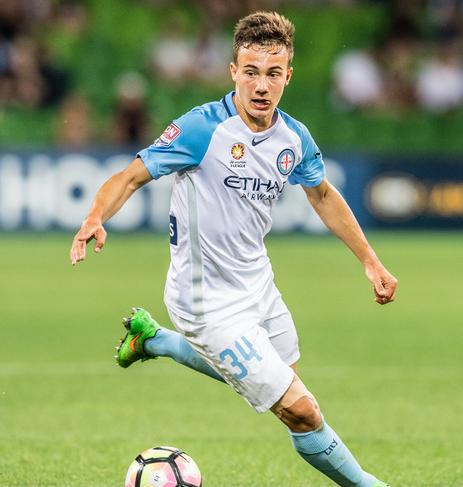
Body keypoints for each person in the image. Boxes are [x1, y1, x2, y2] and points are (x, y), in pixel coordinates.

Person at [69, 11, 396, 487]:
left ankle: (154, 340)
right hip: (205, 300)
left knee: (284, 380)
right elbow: (131, 175)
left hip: (257, 283)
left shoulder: (294, 138)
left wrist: (370, 261)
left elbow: (322, 194)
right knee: (301, 410)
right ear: (233, 72)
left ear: (288, 75)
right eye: (250, 71)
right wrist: (95, 216)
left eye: (273, 73)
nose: (261, 85)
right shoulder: (203, 129)